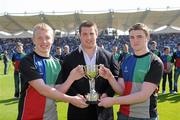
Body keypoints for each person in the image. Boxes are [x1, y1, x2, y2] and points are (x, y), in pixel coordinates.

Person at [17, 23, 86, 120]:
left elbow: (58, 90)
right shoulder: (27, 61)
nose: (44, 41)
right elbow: (43, 90)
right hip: (29, 116)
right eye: (39, 38)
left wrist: (72, 77)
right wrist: (71, 99)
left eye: (47, 37)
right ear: (33, 40)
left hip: (51, 116)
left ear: (53, 39)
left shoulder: (58, 63)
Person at [98, 23, 163, 120]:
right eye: (132, 37)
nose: (135, 40)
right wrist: (110, 77)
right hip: (123, 114)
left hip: (145, 116)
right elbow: (122, 90)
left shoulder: (155, 62)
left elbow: (143, 96)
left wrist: (113, 101)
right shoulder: (126, 61)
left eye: (139, 36)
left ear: (147, 37)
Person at [57, 20, 119, 120]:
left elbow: (115, 81)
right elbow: (64, 83)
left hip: (103, 112)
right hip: (78, 111)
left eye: (91, 33)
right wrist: (75, 95)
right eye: (84, 34)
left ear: (97, 34)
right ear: (79, 35)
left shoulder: (109, 56)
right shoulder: (69, 58)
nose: (88, 37)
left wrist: (107, 94)